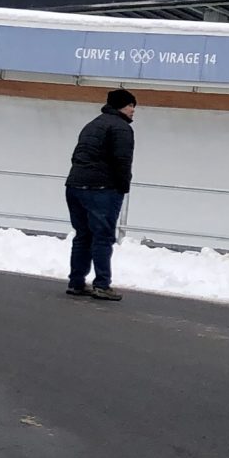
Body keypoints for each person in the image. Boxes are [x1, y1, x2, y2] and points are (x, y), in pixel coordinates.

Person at [63, 89, 136, 302]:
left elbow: (77, 155)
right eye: (132, 106)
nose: (133, 111)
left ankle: (76, 282)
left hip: (75, 185)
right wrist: (123, 186)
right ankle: (102, 284)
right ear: (123, 106)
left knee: (83, 235)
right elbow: (122, 161)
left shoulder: (92, 124)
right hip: (102, 189)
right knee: (103, 236)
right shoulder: (121, 128)